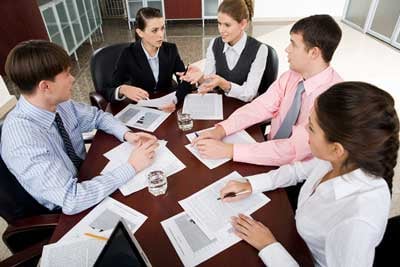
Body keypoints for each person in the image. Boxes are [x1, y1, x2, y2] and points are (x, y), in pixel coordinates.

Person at [220, 82, 399, 267]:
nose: (304, 129)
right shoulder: (341, 159)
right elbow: (298, 170)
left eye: (311, 127)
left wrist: (268, 246)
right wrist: (253, 184)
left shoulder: (356, 224)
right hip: (296, 237)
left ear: (336, 149)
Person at [1, 40, 159, 215]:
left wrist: (128, 134)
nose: (73, 78)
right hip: (67, 209)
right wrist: (132, 166)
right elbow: (71, 199)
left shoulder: (58, 103)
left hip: (86, 175)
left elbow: (97, 116)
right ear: (45, 86)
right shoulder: (22, 140)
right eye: (67, 74)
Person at [192, 14, 343, 166]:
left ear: (314, 53)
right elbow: (261, 106)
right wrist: (221, 130)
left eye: (294, 44)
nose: (287, 49)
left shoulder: (332, 99)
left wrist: (230, 150)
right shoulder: (292, 75)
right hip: (269, 147)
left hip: (298, 171)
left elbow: (292, 150)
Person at [101, 7, 192, 112]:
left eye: (162, 28)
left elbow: (185, 81)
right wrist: (122, 89)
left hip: (167, 105)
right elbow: (107, 89)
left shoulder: (171, 49)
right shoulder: (128, 54)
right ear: (140, 33)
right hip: (141, 108)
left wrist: (175, 100)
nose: (161, 35)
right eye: (154, 30)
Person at [179, 0, 268, 102]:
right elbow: (209, 81)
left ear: (243, 24)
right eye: (219, 24)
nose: (221, 30)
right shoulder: (215, 44)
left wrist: (224, 84)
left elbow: (249, 94)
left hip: (243, 108)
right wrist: (201, 77)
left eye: (227, 25)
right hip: (220, 103)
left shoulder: (260, 50)